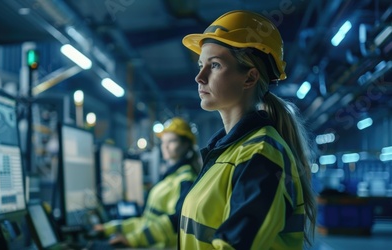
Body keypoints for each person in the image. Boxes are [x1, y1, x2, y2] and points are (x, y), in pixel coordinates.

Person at [172, 10, 316, 249]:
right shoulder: (225, 152)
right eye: (200, 65)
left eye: (214, 65)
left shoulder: (260, 154)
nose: (200, 77)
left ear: (249, 78)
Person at [94, 117, 200, 248]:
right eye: (163, 142)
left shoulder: (186, 179)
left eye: (171, 141)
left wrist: (133, 240)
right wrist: (108, 229)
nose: (165, 146)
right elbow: (146, 221)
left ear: (186, 144)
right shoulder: (171, 177)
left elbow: (175, 222)